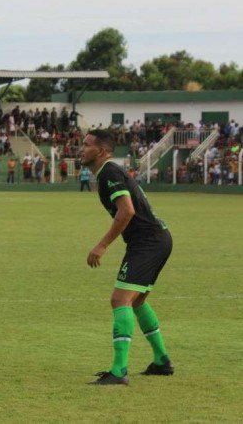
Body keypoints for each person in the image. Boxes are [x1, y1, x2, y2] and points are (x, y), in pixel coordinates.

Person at [81, 129, 174, 386]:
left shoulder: (110, 172)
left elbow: (127, 211)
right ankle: (161, 361)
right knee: (137, 300)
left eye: (86, 145)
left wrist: (101, 246)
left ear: (101, 151)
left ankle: (119, 371)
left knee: (119, 299)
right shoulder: (107, 173)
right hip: (156, 239)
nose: (81, 148)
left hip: (148, 242)